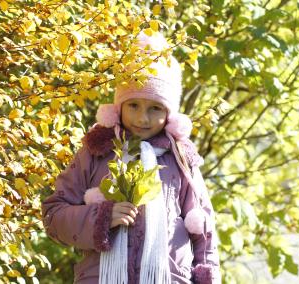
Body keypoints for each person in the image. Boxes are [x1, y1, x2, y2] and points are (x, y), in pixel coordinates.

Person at [41, 31, 221, 284]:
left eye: (155, 108)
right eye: (133, 105)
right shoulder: (96, 150)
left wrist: (206, 278)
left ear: (169, 112)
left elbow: (204, 229)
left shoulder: (181, 158)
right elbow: (54, 216)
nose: (142, 118)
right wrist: (101, 218)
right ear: (119, 106)